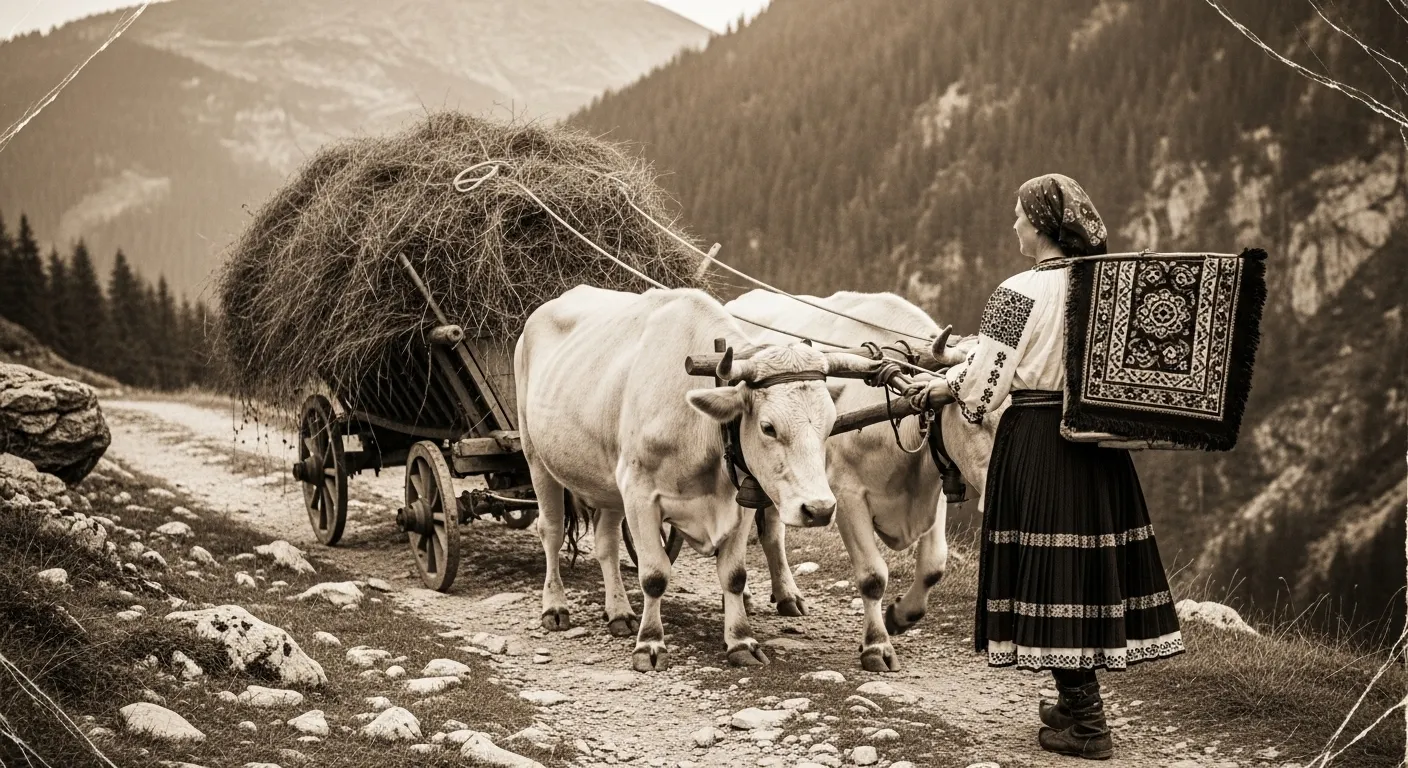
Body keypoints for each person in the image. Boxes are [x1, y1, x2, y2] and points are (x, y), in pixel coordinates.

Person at [927, 173, 1184, 760]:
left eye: (1020, 214)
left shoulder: (1016, 292)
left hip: (1039, 441)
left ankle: (1089, 727)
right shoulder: (1106, 287)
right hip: (1097, 445)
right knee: (1082, 566)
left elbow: (982, 392)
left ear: (1041, 225)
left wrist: (950, 386)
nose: (1014, 223)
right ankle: (1072, 704)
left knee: (1052, 572)